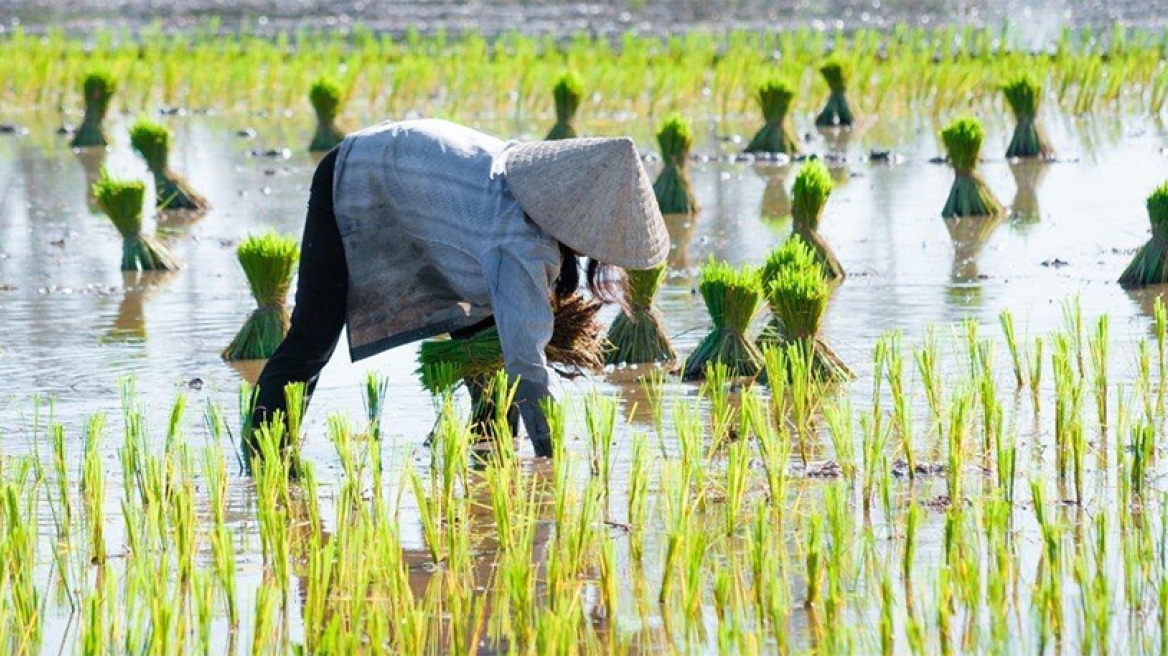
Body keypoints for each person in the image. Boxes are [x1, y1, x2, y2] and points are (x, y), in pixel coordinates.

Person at [250, 119, 668, 458]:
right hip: (357, 173)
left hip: (415, 182)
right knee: (313, 336)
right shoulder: (519, 240)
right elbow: (527, 360)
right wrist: (551, 453)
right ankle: (263, 456)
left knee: (486, 352)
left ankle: (488, 451)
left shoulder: (527, 181)